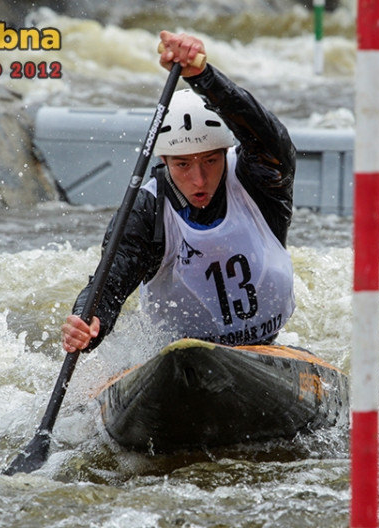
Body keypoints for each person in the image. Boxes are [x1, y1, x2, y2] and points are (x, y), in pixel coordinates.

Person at [61, 30, 297, 354]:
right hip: (181, 359)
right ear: (164, 160)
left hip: (266, 350)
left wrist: (204, 77)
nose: (199, 180)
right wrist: (90, 321)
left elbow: (268, 134)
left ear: (225, 152)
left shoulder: (258, 181)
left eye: (211, 161)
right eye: (183, 165)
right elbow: (110, 281)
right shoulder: (147, 210)